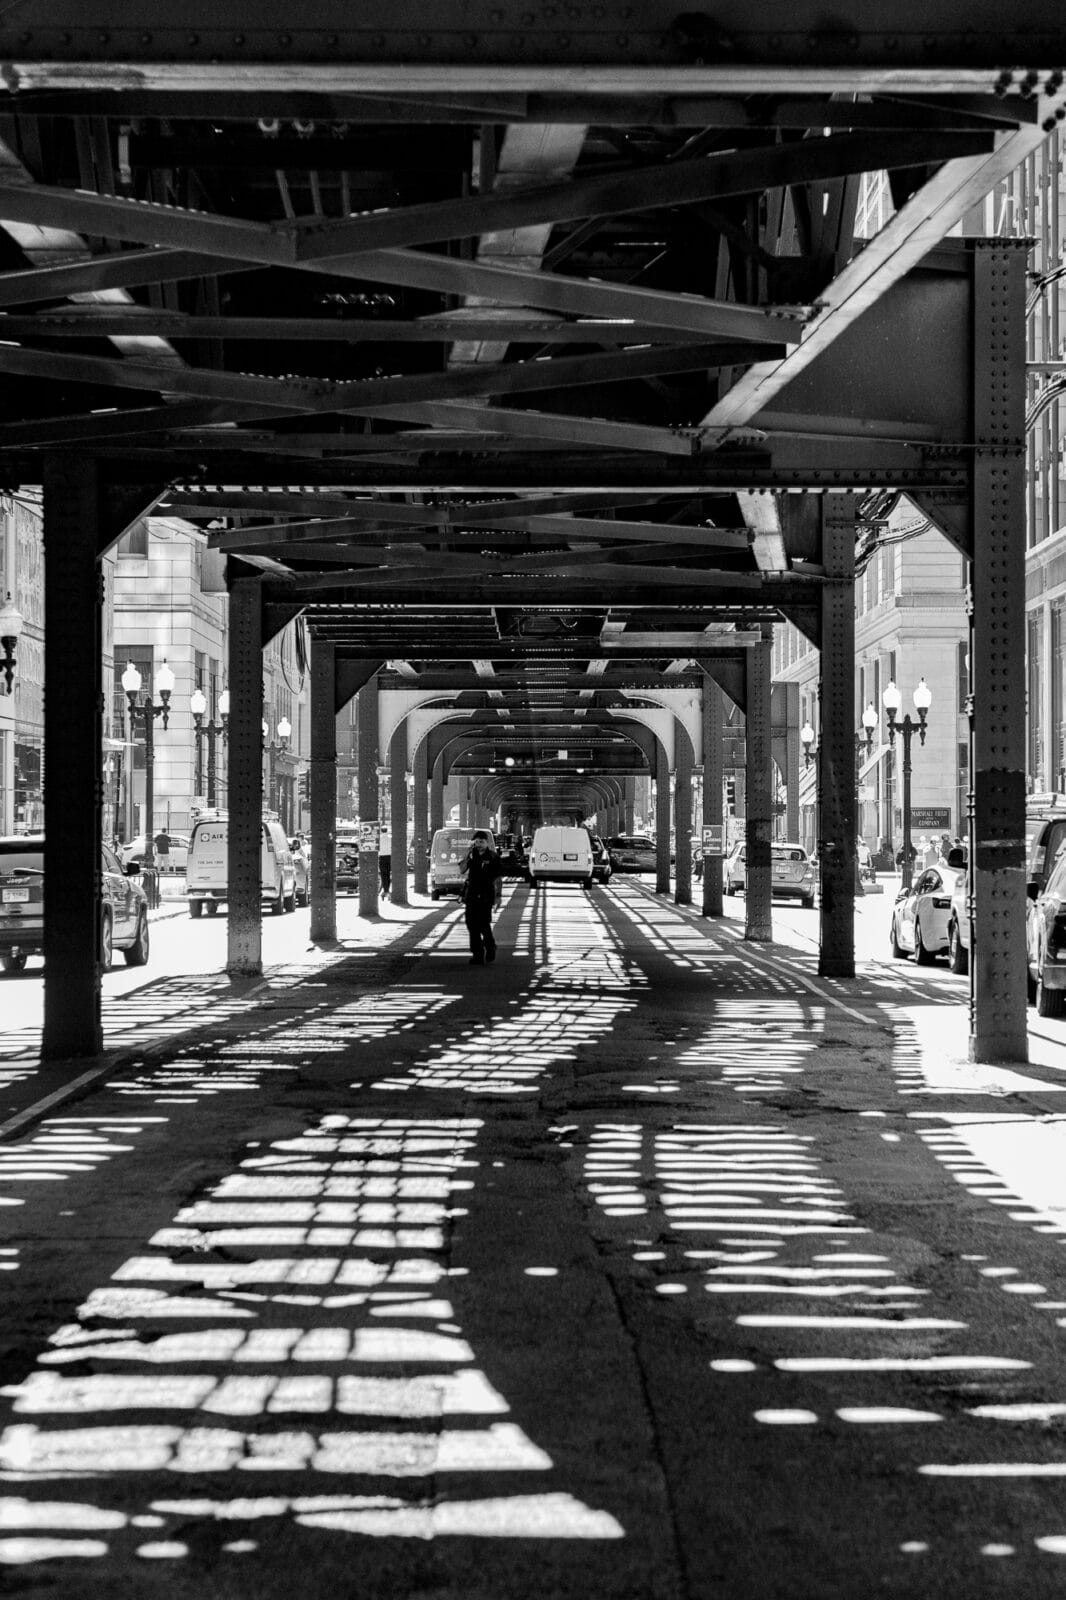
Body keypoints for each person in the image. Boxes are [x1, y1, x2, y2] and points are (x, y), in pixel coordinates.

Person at [461, 830, 503, 965]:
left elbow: (498, 878)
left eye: (481, 842)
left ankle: (490, 947)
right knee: (471, 924)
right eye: (476, 842)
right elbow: (462, 869)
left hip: (486, 895)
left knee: (483, 924)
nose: (479, 844)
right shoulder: (472, 856)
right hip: (472, 895)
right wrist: (467, 854)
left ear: (487, 843)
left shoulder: (493, 857)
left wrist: (498, 896)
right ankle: (477, 954)